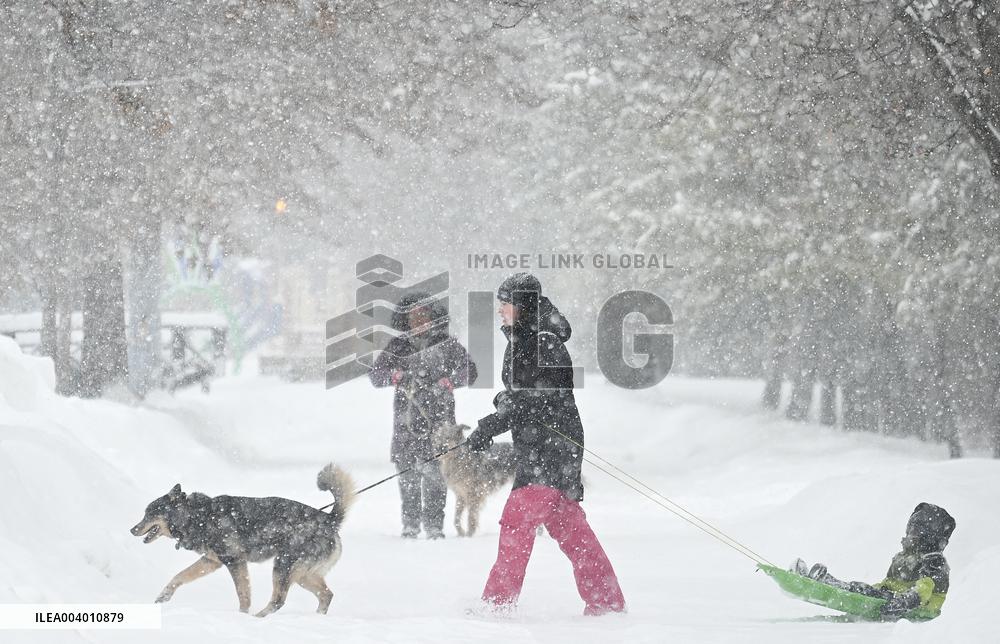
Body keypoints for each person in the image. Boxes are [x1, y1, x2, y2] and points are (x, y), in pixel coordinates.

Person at [466, 272, 626, 616]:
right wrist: (501, 404)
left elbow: (536, 401)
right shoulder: (524, 341)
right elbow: (521, 396)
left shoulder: (543, 343)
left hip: (551, 449)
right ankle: (607, 603)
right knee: (571, 528)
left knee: (517, 520)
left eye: (505, 304)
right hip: (547, 450)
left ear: (522, 306)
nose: (500, 310)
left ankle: (496, 605)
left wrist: (488, 426)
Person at [370, 291, 477, 539]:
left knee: (436, 478)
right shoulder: (396, 347)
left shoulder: (448, 345)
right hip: (406, 426)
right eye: (413, 316)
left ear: (433, 318)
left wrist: (450, 381)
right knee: (407, 477)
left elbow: (469, 371)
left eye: (423, 315)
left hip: (440, 428)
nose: (418, 320)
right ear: (405, 320)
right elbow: (376, 375)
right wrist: (395, 376)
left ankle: (434, 527)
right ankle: (410, 525)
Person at [791, 502, 955, 619]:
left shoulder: (933, 561)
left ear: (928, 536)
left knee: (864, 590)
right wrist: (874, 589)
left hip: (919, 608)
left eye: (916, 531)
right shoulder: (905, 557)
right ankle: (826, 582)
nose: (911, 534)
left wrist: (907, 601)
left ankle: (827, 582)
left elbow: (925, 588)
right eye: (911, 529)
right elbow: (889, 582)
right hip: (894, 597)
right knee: (862, 588)